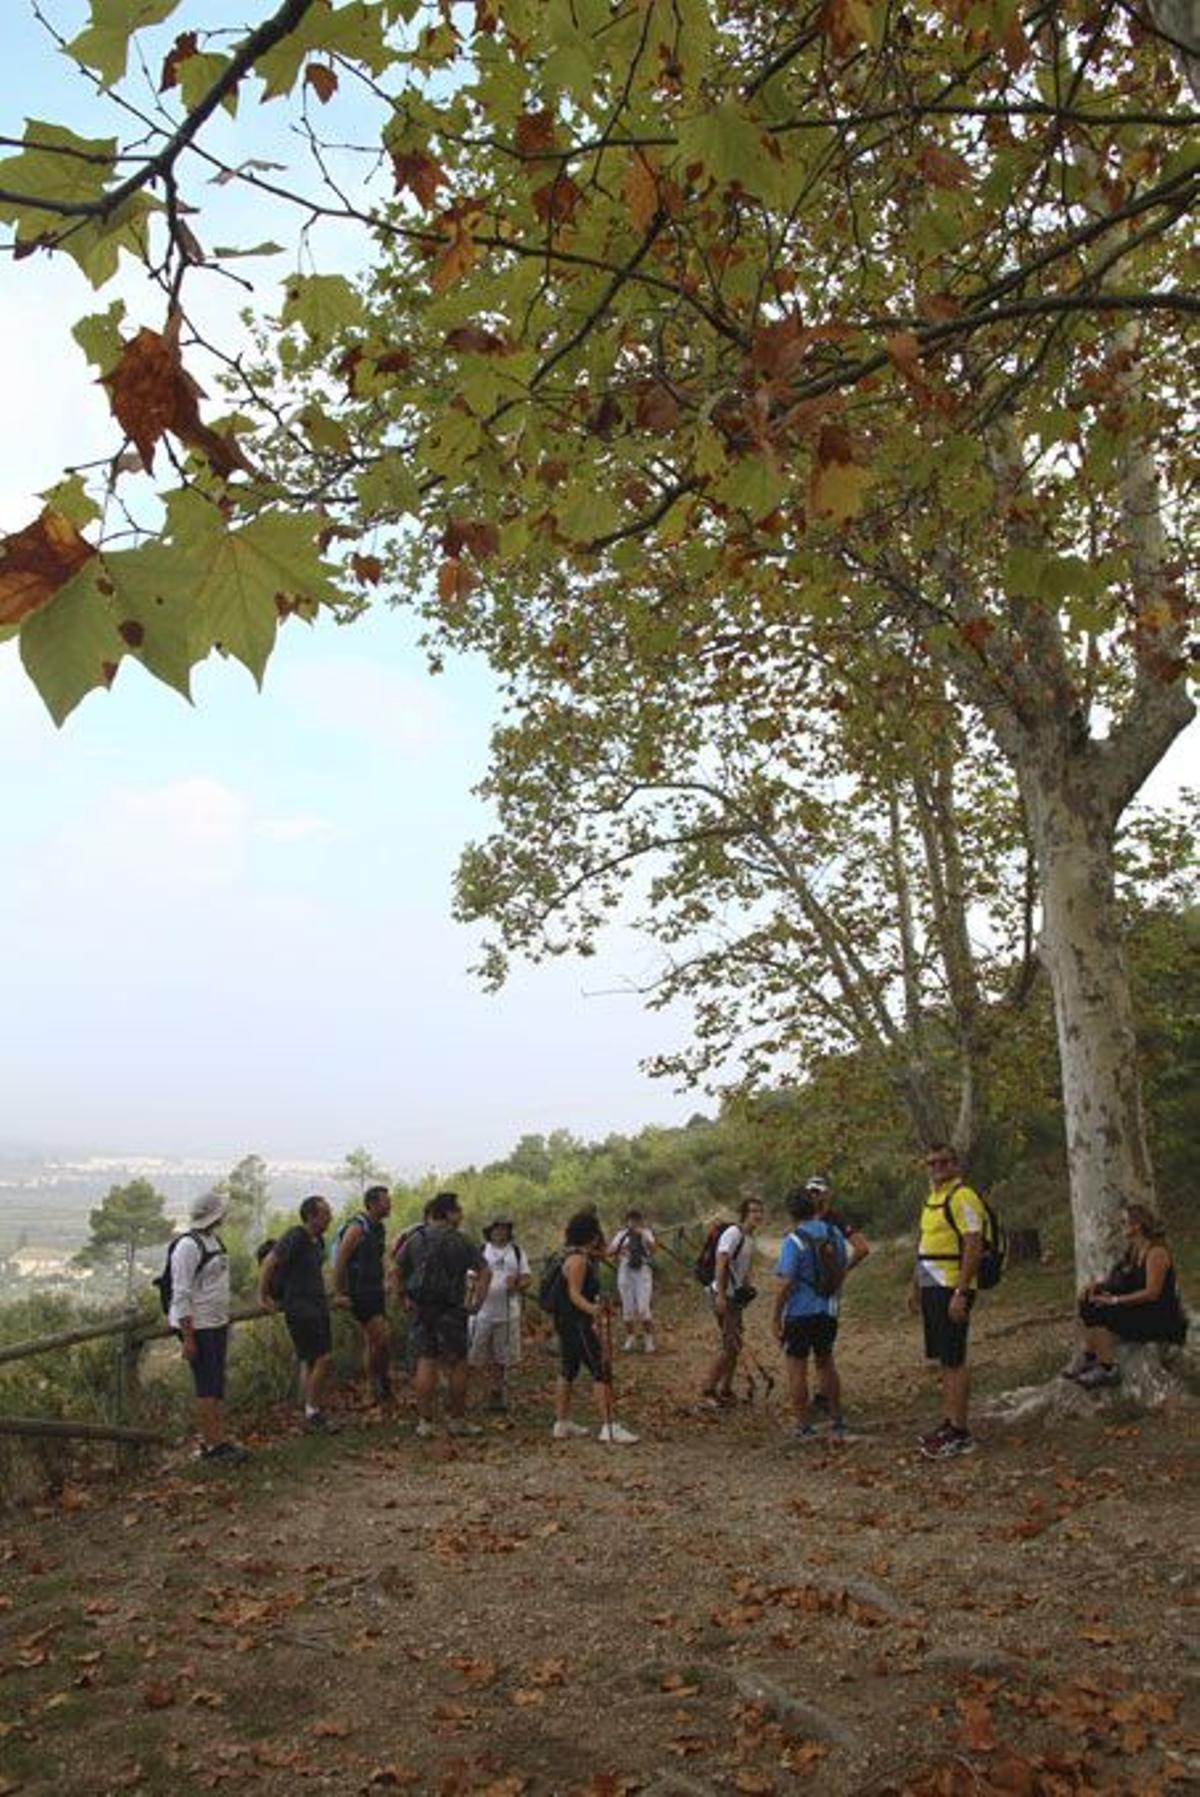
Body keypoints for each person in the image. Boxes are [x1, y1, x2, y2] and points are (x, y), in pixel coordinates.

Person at [1064, 1203, 1188, 1388]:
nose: (1121, 1226)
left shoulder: (1157, 1252)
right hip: (1141, 1310)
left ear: (1136, 1225)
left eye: (1124, 1222)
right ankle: (1089, 1357)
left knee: (1103, 1311)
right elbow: (1120, 1281)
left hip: (1160, 1319)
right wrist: (1097, 1286)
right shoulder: (1132, 1250)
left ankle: (1107, 1369)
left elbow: (1152, 1293)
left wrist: (1114, 1301)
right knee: (1088, 1302)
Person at [909, 1143, 982, 1459]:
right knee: (944, 1359)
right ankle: (950, 1422)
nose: (937, 1168)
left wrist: (961, 1292)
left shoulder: (963, 1197)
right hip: (931, 1285)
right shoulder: (932, 1199)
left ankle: (961, 1431)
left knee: (955, 1357)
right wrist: (915, 1287)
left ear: (956, 1165)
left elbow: (973, 1244)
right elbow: (924, 1245)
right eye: (931, 1163)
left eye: (943, 1162)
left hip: (952, 1286)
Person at [396, 1190, 489, 1438]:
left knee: (426, 1361)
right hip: (452, 1309)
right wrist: (477, 1302)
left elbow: (395, 1271)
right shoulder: (460, 1240)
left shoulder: (415, 1239)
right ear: (448, 1213)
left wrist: (402, 1298)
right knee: (457, 1363)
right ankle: (457, 1420)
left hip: (422, 1309)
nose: (461, 1215)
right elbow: (484, 1271)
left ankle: (426, 1422)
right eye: (458, 1210)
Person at [169, 1190, 247, 1465]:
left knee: (215, 1384)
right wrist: (188, 1337)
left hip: (215, 1323)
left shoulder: (212, 1240)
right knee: (206, 1386)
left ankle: (218, 1439)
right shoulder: (187, 1247)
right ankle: (212, 1446)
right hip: (199, 1326)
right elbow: (181, 1294)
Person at [551, 1209, 638, 1444]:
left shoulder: (569, 1254)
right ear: (591, 1234)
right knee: (601, 1368)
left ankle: (561, 1423)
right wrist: (595, 1310)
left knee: (568, 1368)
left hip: (565, 1322)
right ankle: (609, 1426)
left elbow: (604, 1252)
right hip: (577, 1322)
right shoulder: (578, 1260)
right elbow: (574, 1294)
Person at [773, 1186, 851, 1443]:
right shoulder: (835, 1233)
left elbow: (786, 1282)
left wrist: (776, 1316)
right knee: (826, 1362)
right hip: (827, 1309)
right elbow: (841, 1266)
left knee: (797, 1367)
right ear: (816, 1207)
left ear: (791, 1212)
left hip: (799, 1312)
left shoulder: (793, 1240)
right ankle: (837, 1418)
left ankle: (804, 1425)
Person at [259, 1193, 337, 1432]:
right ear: (311, 1216)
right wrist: (262, 1296)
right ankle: (313, 1412)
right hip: (301, 1308)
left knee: (313, 1360)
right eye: (325, 1213)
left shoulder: (318, 1241)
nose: (330, 1217)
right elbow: (270, 1262)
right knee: (324, 1358)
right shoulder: (296, 1236)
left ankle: (310, 1408)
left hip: (317, 1305)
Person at [805, 1175, 870, 1416]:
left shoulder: (835, 1220)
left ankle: (828, 1401)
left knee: (823, 1348)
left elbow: (862, 1248)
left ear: (827, 1194)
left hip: (827, 1292)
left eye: (817, 1191)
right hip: (808, 1292)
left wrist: (842, 1272)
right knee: (815, 1345)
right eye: (810, 1192)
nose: (813, 1196)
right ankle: (823, 1395)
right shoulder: (808, 1219)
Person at [700, 1197, 765, 1409]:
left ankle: (726, 1389)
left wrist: (746, 1287)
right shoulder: (733, 1233)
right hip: (722, 1295)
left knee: (735, 1344)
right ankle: (708, 1390)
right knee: (729, 1346)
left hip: (734, 1297)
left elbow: (741, 1269)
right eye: (753, 1210)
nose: (757, 1214)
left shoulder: (749, 1238)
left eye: (760, 1211)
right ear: (744, 1213)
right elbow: (721, 1261)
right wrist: (720, 1295)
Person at [333, 1183, 393, 1403]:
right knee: (382, 1336)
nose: (390, 1204)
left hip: (375, 1290)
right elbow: (340, 1260)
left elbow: (379, 1256)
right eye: (386, 1201)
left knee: (377, 1341)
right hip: (359, 1293)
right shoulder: (358, 1228)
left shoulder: (378, 1228)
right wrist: (340, 1292)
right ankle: (373, 1384)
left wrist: (386, 1277)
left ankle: (379, 1383)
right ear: (373, 1204)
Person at [469, 1216, 531, 1413]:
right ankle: (476, 1393)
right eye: (496, 1229)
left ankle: (496, 1394)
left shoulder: (517, 1252)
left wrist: (519, 1284)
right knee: (475, 1353)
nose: (500, 1232)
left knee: (501, 1356)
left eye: (504, 1229)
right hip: (481, 1312)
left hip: (508, 1311)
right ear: (489, 1231)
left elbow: (527, 1278)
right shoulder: (480, 1251)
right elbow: (469, 1278)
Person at [608, 1208, 656, 1353]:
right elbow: (609, 1251)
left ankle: (649, 1340)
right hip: (625, 1271)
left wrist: (643, 1236)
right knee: (627, 1308)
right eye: (630, 1219)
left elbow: (654, 1249)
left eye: (636, 1219)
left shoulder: (646, 1233)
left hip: (642, 1271)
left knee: (643, 1308)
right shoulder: (621, 1235)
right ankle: (630, 1337)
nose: (633, 1222)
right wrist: (620, 1249)